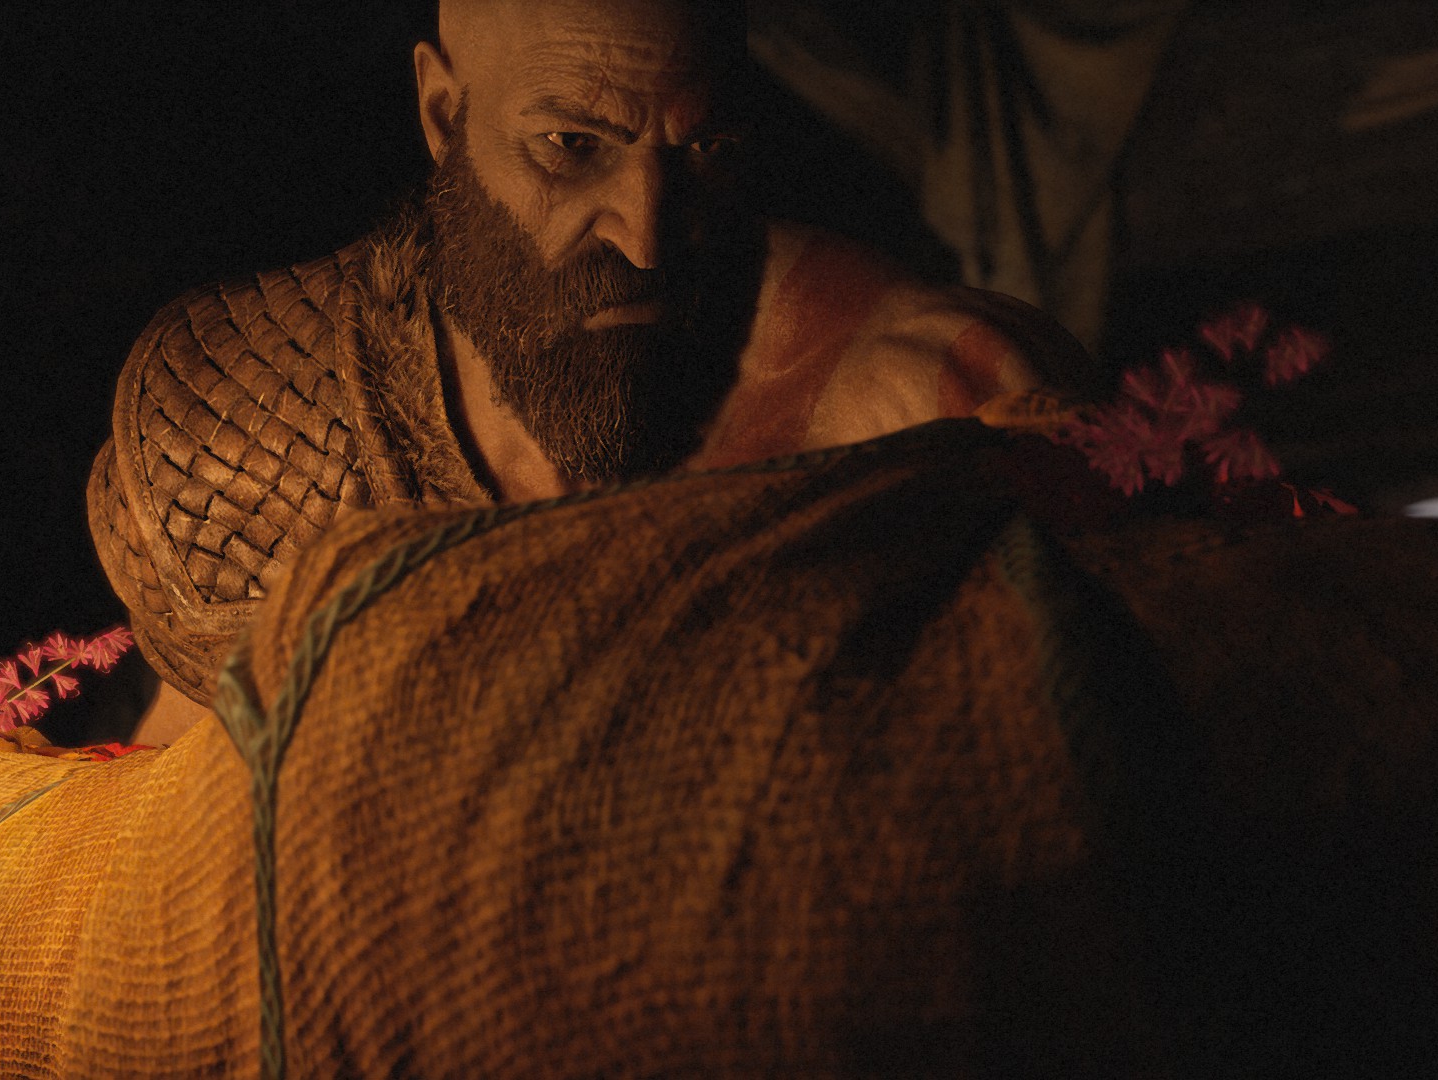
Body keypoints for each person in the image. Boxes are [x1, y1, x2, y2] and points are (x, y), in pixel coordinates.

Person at [91, 0, 1096, 744]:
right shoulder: (250, 431)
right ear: (443, 113)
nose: (647, 234)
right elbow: (171, 829)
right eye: (572, 146)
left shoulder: (919, 401)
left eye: (704, 149)